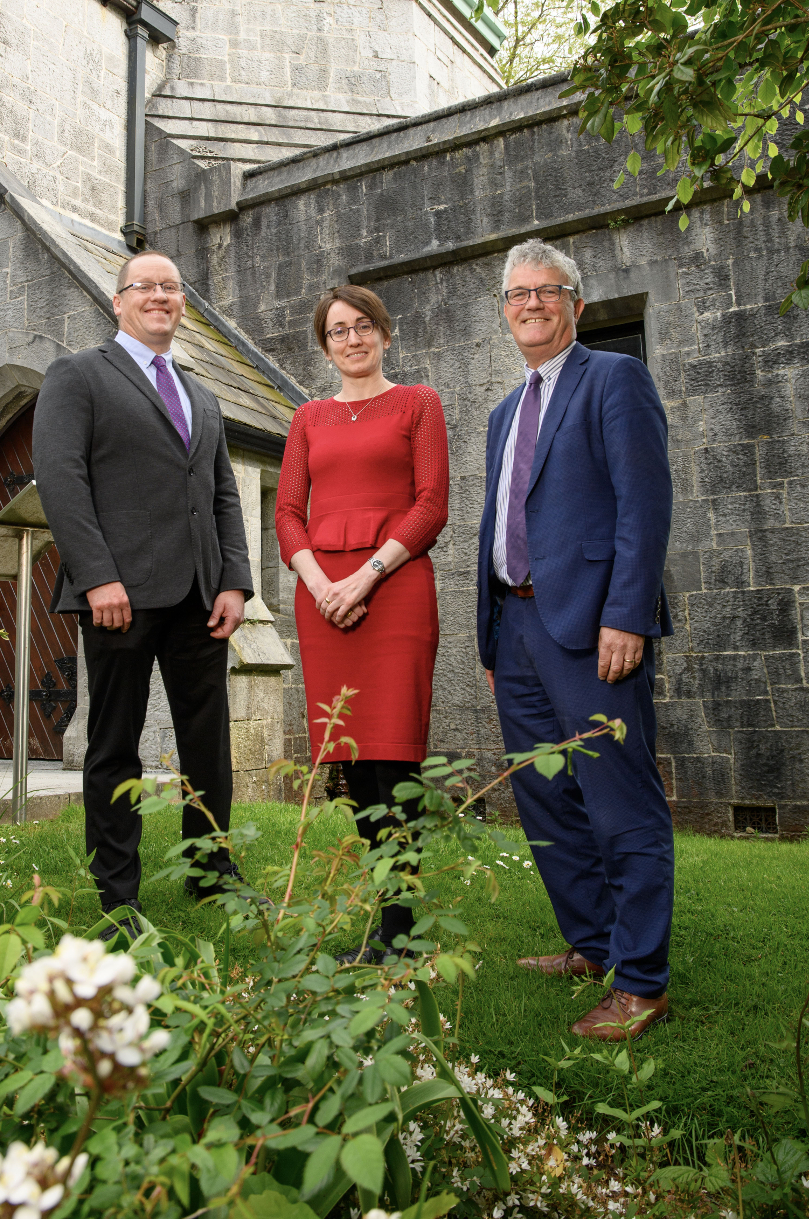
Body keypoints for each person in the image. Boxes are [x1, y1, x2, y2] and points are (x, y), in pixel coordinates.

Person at [476, 239, 674, 1040]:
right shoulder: (502, 412)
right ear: (505, 309)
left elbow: (643, 504)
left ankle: (644, 980)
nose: (531, 303)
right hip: (516, 627)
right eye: (517, 293)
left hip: (594, 628)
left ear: (576, 304)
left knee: (618, 801)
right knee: (547, 799)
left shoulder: (614, 380)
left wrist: (626, 615)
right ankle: (591, 945)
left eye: (546, 290)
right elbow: (501, 523)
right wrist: (493, 643)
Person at [33, 250, 253, 935]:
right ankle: (118, 894)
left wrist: (235, 581)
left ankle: (211, 872)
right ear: (119, 300)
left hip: (200, 597)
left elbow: (222, 492)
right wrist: (97, 575)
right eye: (145, 287)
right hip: (118, 596)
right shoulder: (78, 376)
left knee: (207, 742)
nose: (160, 296)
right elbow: (61, 478)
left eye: (172, 287)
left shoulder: (202, 392)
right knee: (114, 742)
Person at [275, 284, 449, 960]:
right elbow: (289, 512)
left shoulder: (418, 403)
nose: (352, 339)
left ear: (385, 332)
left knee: (395, 754)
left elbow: (431, 503)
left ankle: (402, 929)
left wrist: (365, 576)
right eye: (337, 332)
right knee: (350, 760)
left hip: (396, 589)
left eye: (362, 327)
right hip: (323, 604)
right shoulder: (308, 417)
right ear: (325, 346)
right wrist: (321, 583)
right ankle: (384, 920)